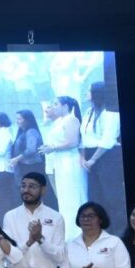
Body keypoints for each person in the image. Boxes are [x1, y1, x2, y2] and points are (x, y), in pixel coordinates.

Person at [39, 96, 87, 238]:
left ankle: (77, 231)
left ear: (65, 106)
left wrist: (53, 148)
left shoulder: (71, 120)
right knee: (64, 197)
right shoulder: (59, 121)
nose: (53, 107)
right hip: (60, 161)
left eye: (56, 104)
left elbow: (72, 142)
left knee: (71, 195)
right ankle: (68, 230)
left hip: (69, 161)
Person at [80, 82, 125, 232]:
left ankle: (118, 229)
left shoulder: (111, 112)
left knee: (111, 194)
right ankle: (101, 228)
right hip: (91, 155)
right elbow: (85, 137)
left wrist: (93, 159)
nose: (86, 93)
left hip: (108, 156)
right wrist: (84, 158)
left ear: (97, 93)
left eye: (89, 90)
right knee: (96, 194)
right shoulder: (89, 111)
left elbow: (108, 139)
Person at [9, 110, 45, 186]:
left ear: (27, 120)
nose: (17, 121)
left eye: (19, 119)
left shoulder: (31, 132)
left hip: (32, 166)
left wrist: (16, 159)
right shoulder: (22, 132)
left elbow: (31, 150)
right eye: (16, 119)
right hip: (24, 166)